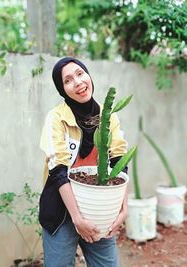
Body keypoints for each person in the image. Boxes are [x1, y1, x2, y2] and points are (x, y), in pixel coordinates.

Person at [39, 57, 128, 267]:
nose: (78, 82)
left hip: (100, 208)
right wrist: (77, 218)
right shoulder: (56, 118)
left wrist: (123, 208)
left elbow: (120, 162)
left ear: (88, 75)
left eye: (80, 74)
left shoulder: (109, 117)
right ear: (62, 90)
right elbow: (58, 170)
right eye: (68, 80)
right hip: (61, 210)